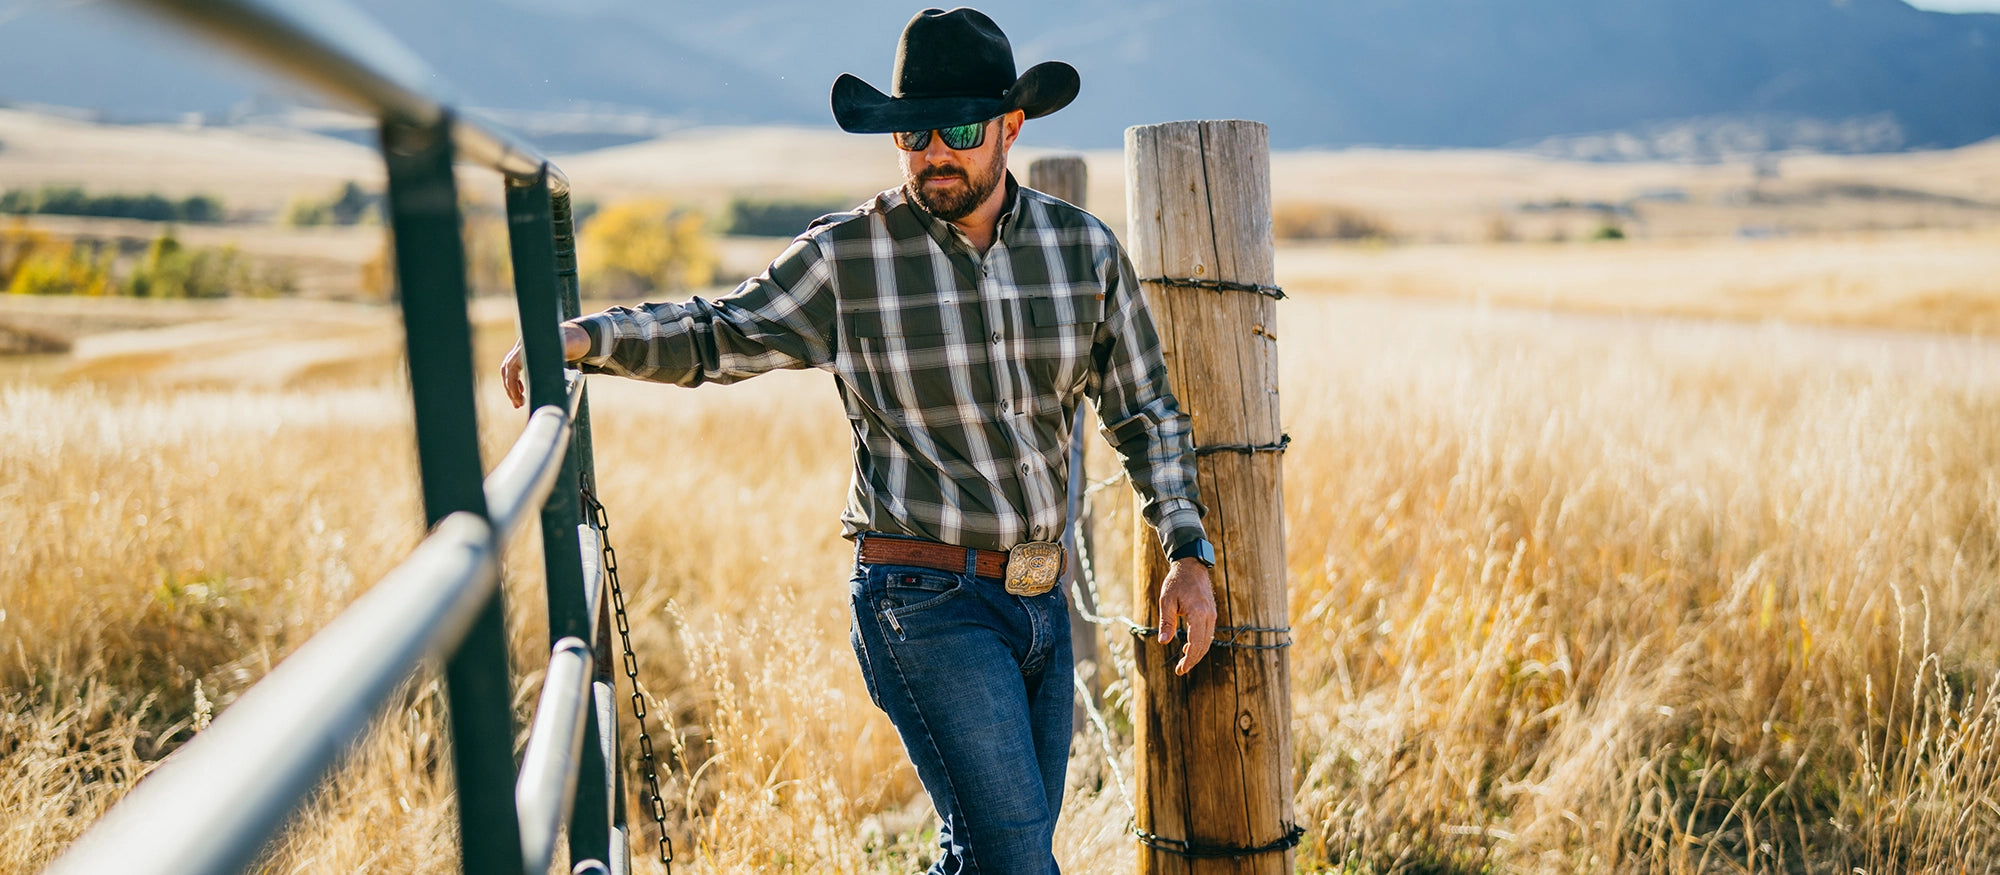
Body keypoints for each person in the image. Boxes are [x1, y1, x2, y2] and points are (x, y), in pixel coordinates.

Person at [499, 7, 1217, 872]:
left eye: (957, 128)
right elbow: (720, 330)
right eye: (912, 131)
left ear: (1010, 126)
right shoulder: (849, 257)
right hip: (921, 600)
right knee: (1017, 859)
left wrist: (1187, 549)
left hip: (1041, 604)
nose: (934, 153)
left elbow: (1145, 410)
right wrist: (589, 337)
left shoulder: (1084, 252)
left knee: (985, 854)